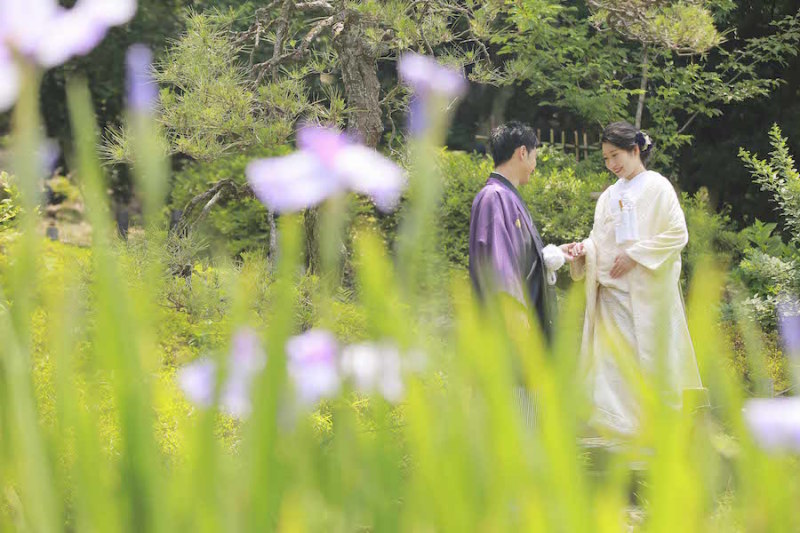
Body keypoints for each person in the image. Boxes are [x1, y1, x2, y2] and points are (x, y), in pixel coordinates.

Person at [566, 121, 703, 435]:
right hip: (614, 297)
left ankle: (656, 432)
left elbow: (677, 234)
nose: (612, 164)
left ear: (635, 150)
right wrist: (584, 250)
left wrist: (635, 255)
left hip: (647, 295)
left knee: (652, 363)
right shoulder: (608, 196)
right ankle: (618, 434)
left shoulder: (657, 187)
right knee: (613, 367)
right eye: (606, 159)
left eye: (616, 156)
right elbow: (599, 240)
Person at [468, 121, 570, 341]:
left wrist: (552, 255)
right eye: (535, 156)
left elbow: (517, 257)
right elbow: (499, 261)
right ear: (523, 152)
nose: (535, 164)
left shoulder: (505, 196)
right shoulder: (494, 196)